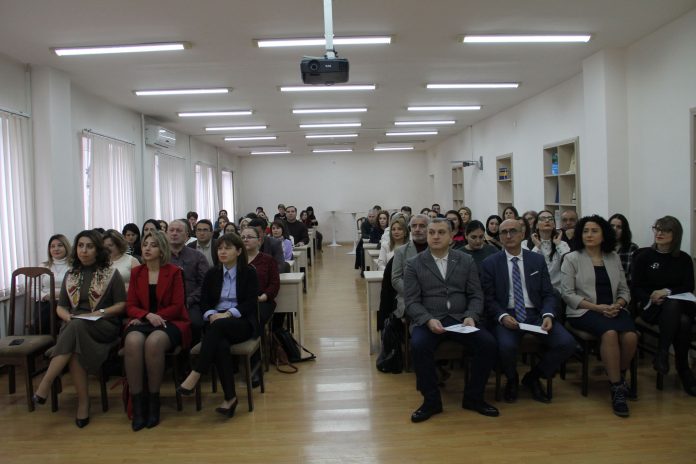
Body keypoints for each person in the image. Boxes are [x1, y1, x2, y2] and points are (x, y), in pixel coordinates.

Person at [405, 218, 499, 422]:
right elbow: (411, 301)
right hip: (430, 319)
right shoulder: (414, 264)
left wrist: (471, 315)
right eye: (431, 233)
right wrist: (428, 320)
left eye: (441, 232)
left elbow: (476, 294)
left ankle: (474, 397)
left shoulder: (465, 260)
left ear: (451, 237)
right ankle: (431, 401)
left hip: (460, 319)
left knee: (488, 344)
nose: (435, 236)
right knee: (418, 346)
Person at [32, 230, 126, 428]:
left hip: (103, 324)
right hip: (75, 325)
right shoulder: (71, 274)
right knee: (75, 344)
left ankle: (46, 382)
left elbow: (121, 305)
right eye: (81, 246)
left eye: (89, 246)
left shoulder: (110, 273)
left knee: (75, 328)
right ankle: (83, 404)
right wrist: (68, 317)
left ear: (98, 250)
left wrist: (99, 312)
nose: (84, 250)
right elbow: (61, 307)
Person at [481, 219, 575, 404]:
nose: (508, 235)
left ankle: (533, 377)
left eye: (513, 231)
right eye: (504, 232)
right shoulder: (490, 263)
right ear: (499, 236)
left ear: (522, 234)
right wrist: (502, 316)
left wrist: (548, 314)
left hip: (536, 314)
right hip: (507, 314)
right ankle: (512, 378)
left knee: (567, 343)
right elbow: (488, 299)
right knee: (506, 347)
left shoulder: (536, 260)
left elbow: (548, 293)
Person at [177, 233, 260, 418]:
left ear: (239, 251)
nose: (222, 252)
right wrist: (211, 314)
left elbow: (250, 303)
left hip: (241, 322)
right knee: (220, 345)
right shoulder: (212, 273)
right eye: (220, 248)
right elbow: (204, 301)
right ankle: (230, 399)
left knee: (219, 328)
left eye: (227, 248)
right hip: (216, 322)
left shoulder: (249, 273)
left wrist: (227, 314)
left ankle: (197, 372)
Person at [561, 215, 636, 417]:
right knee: (609, 333)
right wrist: (597, 308)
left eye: (594, 231)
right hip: (584, 310)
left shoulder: (613, 257)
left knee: (630, 336)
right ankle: (616, 388)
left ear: (604, 235)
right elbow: (567, 294)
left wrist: (618, 305)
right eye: (585, 231)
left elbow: (624, 290)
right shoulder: (572, 258)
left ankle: (619, 374)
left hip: (613, 308)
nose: (589, 235)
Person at [124, 231, 190, 431]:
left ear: (162, 250)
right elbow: (131, 305)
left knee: (153, 342)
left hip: (170, 321)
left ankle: (154, 400)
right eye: (145, 244)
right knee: (133, 341)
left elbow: (177, 306)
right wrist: (146, 316)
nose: (147, 248)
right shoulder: (137, 272)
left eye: (153, 245)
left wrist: (156, 317)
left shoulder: (174, 272)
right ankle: (138, 403)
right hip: (144, 320)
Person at [631, 216, 696, 396]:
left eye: (665, 230)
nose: (659, 233)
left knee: (675, 308)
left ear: (675, 235)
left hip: (676, 305)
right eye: (657, 229)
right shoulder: (644, 257)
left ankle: (662, 354)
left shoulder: (684, 259)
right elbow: (635, 287)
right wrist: (651, 297)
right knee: (683, 321)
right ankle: (683, 369)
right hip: (652, 307)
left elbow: (688, 286)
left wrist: (666, 291)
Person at [167, 219, 210, 344]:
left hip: (191, 302)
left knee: (195, 323)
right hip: (165, 303)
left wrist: (189, 300)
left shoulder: (198, 257)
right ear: (166, 234)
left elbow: (205, 285)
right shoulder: (160, 257)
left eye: (178, 231)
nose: (174, 233)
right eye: (171, 230)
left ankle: (191, 353)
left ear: (186, 236)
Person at [391, 214, 430, 318]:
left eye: (422, 226)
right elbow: (396, 279)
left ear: (429, 228)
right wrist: (414, 293)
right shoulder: (401, 251)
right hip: (409, 297)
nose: (417, 229)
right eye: (414, 226)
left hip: (434, 297)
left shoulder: (436, 248)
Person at [241, 226, 280, 328]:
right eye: (243, 237)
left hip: (261, 301)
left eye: (249, 237)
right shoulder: (236, 260)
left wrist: (264, 297)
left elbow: (274, 284)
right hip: (240, 301)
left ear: (259, 241)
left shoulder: (268, 260)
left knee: (252, 319)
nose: (245, 240)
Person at [528, 210, 570, 292]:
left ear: (554, 225)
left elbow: (570, 262)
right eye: (542, 219)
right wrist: (537, 247)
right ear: (536, 225)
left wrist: (558, 245)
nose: (547, 220)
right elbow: (528, 266)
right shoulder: (526, 243)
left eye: (550, 219)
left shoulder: (562, 244)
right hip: (536, 290)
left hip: (558, 290)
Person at [38, 234, 72, 333]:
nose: (56, 249)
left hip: (67, 302)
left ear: (66, 247)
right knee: (48, 307)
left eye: (60, 245)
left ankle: (44, 337)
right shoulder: (43, 266)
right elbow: (33, 289)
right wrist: (45, 296)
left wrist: (58, 295)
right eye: (52, 246)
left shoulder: (74, 266)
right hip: (45, 301)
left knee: (52, 308)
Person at [608, 213, 639, 285]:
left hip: (625, 287)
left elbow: (633, 277)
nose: (614, 229)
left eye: (619, 227)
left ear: (624, 230)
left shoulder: (632, 248)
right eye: (612, 226)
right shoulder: (601, 247)